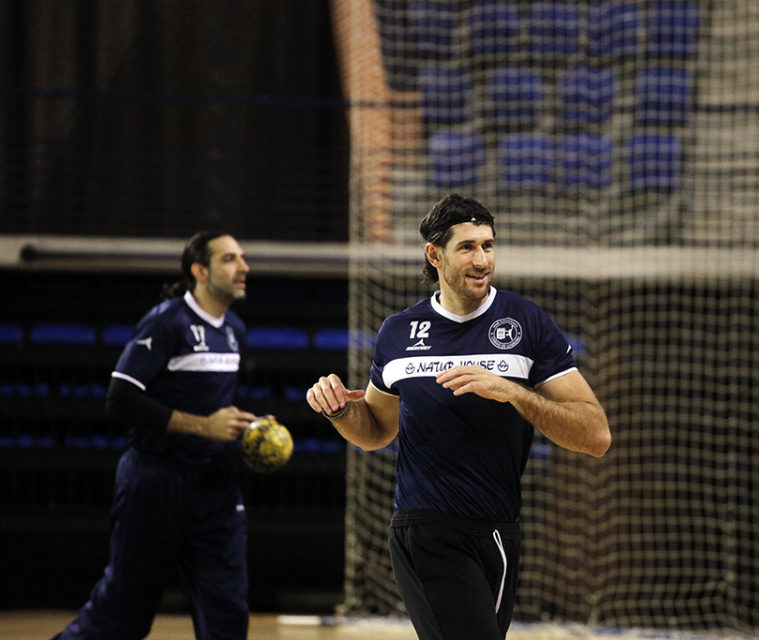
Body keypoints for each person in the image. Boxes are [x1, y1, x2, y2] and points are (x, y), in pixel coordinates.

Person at [306, 194, 611, 639]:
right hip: (427, 528)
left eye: (488, 246)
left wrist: (514, 393)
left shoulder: (526, 323)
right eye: (467, 247)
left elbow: (596, 435)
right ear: (435, 254)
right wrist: (340, 410)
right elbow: (375, 431)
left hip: (499, 532)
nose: (482, 259)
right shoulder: (399, 331)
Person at [52, 231, 258, 640]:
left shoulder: (233, 329)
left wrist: (247, 428)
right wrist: (205, 426)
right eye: (230, 259)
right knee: (122, 613)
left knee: (227, 612)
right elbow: (121, 399)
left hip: (214, 485)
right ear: (200, 271)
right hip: (155, 481)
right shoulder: (167, 321)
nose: (244, 268)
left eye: (243, 258)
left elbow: (213, 406)